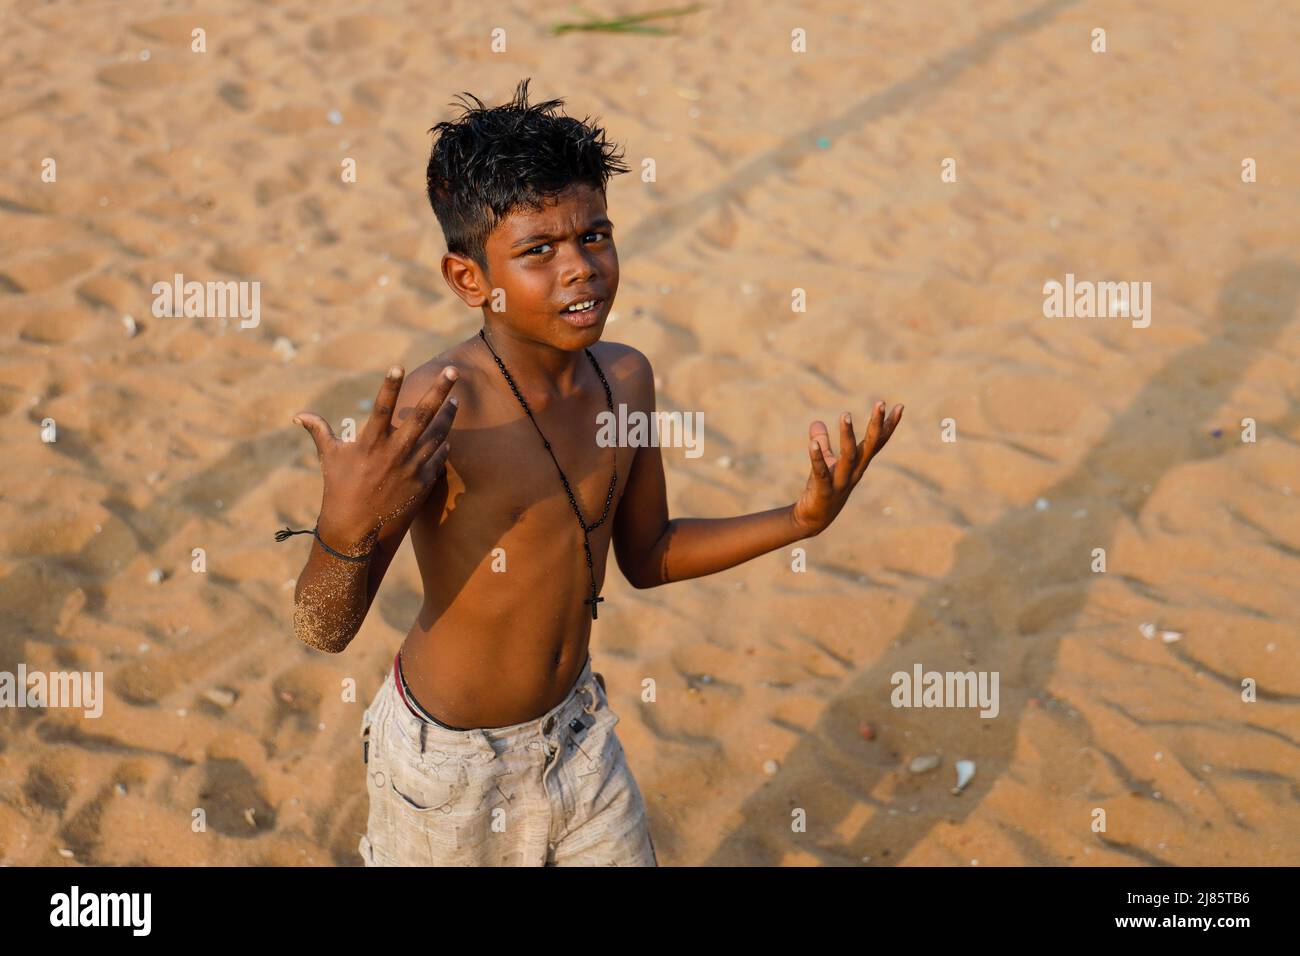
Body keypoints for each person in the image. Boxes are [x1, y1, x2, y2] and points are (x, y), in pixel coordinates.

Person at [286, 78, 904, 866]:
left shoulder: (628, 378)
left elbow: (647, 557)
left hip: (577, 735)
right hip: (447, 767)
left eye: (595, 236)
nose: (580, 268)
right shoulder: (438, 409)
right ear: (470, 280)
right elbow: (323, 629)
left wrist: (802, 519)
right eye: (538, 251)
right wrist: (343, 528)